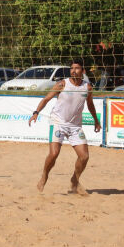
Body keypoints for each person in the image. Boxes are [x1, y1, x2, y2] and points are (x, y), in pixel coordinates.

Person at [29, 58, 101, 195]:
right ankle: (45, 175)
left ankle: (75, 179)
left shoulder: (87, 87)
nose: (74, 71)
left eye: (77, 68)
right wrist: (36, 112)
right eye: (72, 68)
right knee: (54, 153)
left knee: (84, 157)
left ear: (83, 71)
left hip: (75, 126)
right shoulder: (62, 84)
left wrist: (96, 121)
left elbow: (90, 105)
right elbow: (46, 99)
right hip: (58, 122)